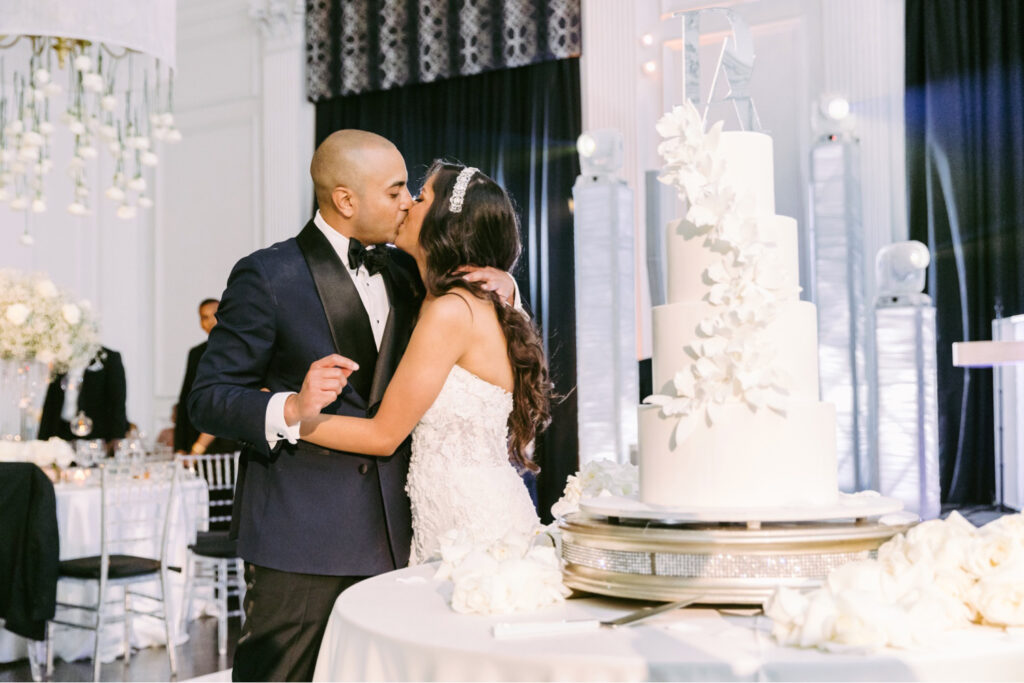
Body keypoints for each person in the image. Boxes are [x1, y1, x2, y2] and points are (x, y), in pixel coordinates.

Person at [187, 131, 517, 682]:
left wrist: (502, 280)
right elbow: (208, 399)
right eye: (394, 192)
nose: (409, 202)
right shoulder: (268, 275)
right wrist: (291, 407)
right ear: (346, 200)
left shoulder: (412, 274)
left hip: (403, 538)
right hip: (302, 542)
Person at [297, 161, 550, 563]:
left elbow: (383, 434)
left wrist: (288, 414)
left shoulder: (452, 310)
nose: (406, 205)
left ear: (446, 224)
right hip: (453, 516)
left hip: (469, 527)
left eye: (420, 197)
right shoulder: (468, 299)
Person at [174, 298, 235, 455]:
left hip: (229, 439)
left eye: (215, 315)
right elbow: (186, 398)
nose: (210, 321)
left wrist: (199, 446)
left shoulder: (238, 350)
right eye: (204, 317)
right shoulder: (196, 353)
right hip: (197, 432)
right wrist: (180, 446)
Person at [38, 346, 129, 443]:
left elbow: (118, 404)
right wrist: (41, 440)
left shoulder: (108, 358)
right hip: (59, 434)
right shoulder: (62, 356)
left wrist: (116, 440)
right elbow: (50, 403)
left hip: (95, 437)